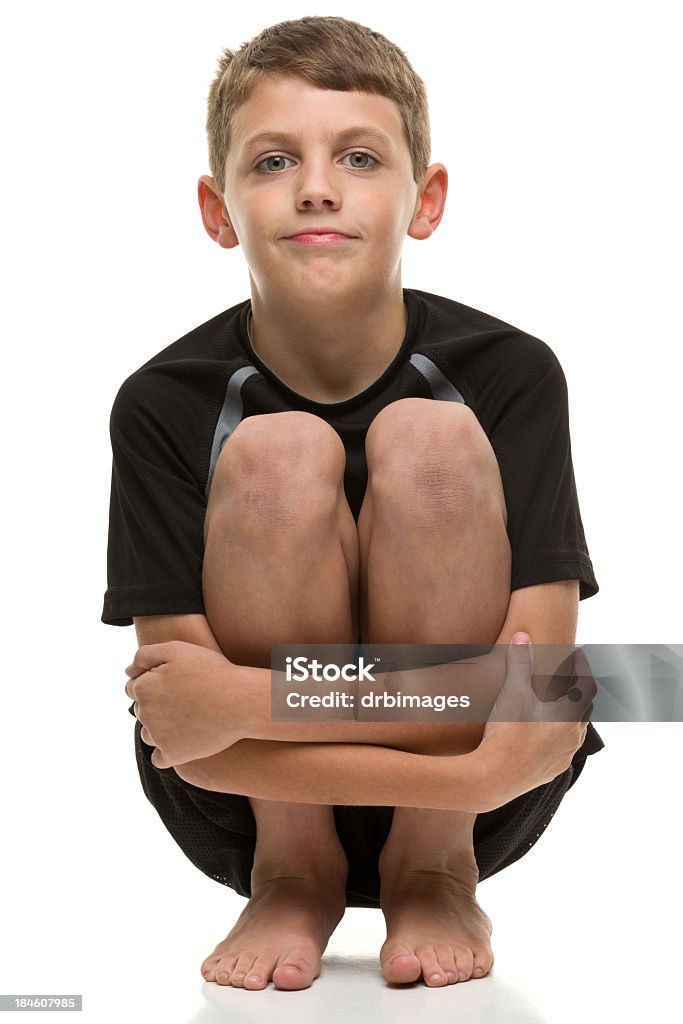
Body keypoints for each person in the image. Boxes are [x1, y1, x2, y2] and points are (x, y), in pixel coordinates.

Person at [102, 15, 604, 993]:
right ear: (217, 209)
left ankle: (430, 862)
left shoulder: (511, 376)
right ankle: (295, 869)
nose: (317, 186)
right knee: (277, 454)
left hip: (472, 804)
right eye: (275, 159)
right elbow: (177, 724)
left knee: (426, 438)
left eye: (360, 156)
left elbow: (544, 686)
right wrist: (478, 738)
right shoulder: (162, 402)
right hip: (250, 807)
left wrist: (249, 702)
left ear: (426, 200)